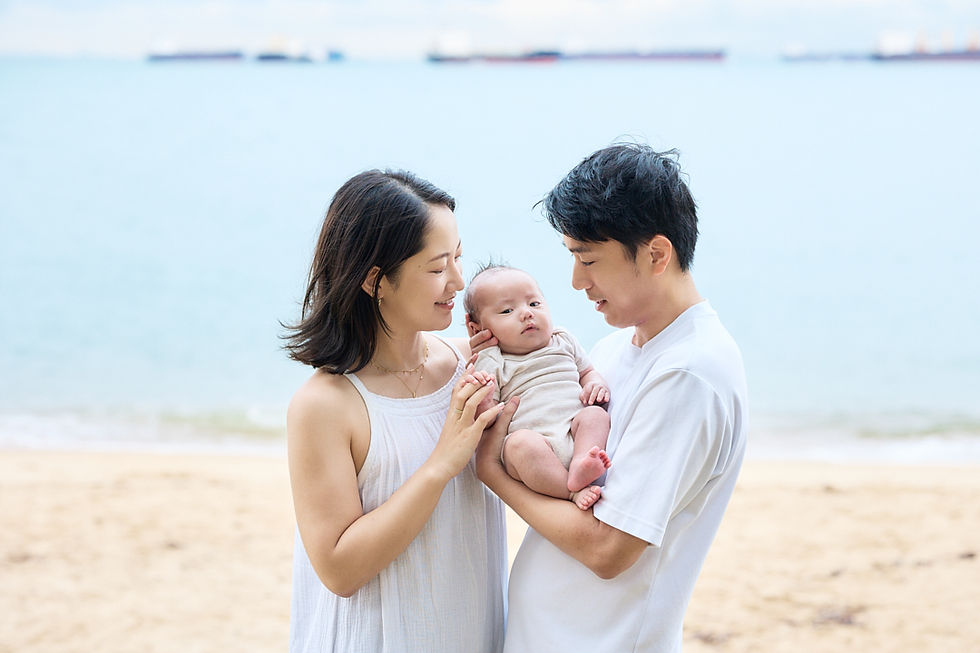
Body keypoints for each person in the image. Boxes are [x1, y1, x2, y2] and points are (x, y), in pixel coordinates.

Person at [474, 144, 749, 652]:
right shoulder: (614, 347)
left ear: (656, 254)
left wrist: (491, 473)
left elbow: (609, 550)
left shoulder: (689, 374)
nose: (577, 282)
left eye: (589, 259)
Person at [283, 169, 508, 653]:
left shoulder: (469, 366)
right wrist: (441, 465)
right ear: (375, 280)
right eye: (436, 267)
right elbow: (339, 569)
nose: (458, 281)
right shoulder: (326, 404)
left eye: (459, 258)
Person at [462, 264, 611, 510]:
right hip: (533, 447)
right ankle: (570, 491)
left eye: (534, 304)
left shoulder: (562, 339)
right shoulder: (492, 359)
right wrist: (485, 400)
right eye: (507, 310)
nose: (526, 314)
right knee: (520, 444)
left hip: (572, 432)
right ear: (478, 329)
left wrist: (594, 384)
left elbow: (587, 371)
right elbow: (486, 420)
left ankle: (581, 462)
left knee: (595, 415)